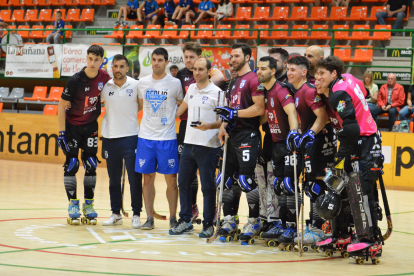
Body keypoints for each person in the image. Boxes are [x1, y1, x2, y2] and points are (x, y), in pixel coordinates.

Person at [315, 56, 383, 260]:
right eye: (316, 74)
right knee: (341, 186)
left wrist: (339, 156)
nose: (317, 78)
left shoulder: (337, 94)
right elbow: (362, 93)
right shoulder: (348, 77)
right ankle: (342, 235)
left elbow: (351, 128)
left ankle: (370, 239)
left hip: (366, 139)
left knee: (362, 189)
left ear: (333, 74)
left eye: (322, 74)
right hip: (358, 138)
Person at [215, 42, 265, 243]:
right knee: (224, 181)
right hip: (232, 135)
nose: (233, 59)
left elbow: (259, 108)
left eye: (237, 56)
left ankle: (254, 220)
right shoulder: (233, 81)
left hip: (248, 135)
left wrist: (234, 114)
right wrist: (223, 124)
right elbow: (229, 108)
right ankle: (229, 219)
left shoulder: (254, 79)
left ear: (247, 57)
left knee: (246, 180)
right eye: (231, 56)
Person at [57, 45, 111, 225]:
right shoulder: (75, 80)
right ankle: (72, 204)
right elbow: (61, 105)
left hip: (91, 126)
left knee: (91, 164)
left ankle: (89, 205)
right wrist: (61, 132)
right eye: (90, 59)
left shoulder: (105, 77)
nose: (93, 62)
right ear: (86, 59)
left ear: (102, 60)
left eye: (97, 59)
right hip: (72, 126)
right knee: (72, 164)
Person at [170, 58, 222, 237]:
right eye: (195, 70)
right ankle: (185, 220)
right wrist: (166, 119)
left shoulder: (217, 92)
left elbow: (224, 120)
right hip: (189, 144)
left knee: (207, 187)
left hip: (208, 146)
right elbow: (181, 109)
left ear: (209, 71)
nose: (197, 72)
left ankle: (208, 224)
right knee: (183, 183)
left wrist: (209, 126)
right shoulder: (191, 88)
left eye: (201, 69)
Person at [286, 56, 333, 246]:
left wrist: (311, 134)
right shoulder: (296, 92)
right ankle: (314, 226)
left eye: (293, 70)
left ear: (304, 72)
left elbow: (324, 116)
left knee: (317, 186)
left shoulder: (308, 91)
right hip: (310, 143)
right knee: (310, 186)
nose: (289, 73)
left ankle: (318, 229)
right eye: (288, 69)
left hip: (321, 143)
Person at [135, 47, 183, 230]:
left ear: (166, 62)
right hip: (146, 138)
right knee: (147, 179)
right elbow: (139, 105)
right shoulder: (143, 83)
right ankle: (149, 217)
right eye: (154, 59)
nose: (156, 63)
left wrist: (172, 117)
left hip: (167, 138)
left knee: (171, 179)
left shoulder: (175, 83)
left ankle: (172, 217)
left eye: (160, 60)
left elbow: (182, 103)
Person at [255, 56, 301, 246]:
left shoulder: (280, 89)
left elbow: (291, 112)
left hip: (287, 144)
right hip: (275, 144)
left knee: (289, 186)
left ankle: (291, 227)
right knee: (279, 186)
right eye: (258, 69)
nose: (259, 72)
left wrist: (293, 134)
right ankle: (282, 224)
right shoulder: (266, 92)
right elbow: (267, 117)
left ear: (273, 71)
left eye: (263, 69)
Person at [100, 54, 143, 228]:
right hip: (110, 137)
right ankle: (115, 214)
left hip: (131, 137)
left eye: (121, 66)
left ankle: (136, 214)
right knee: (113, 180)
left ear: (127, 68)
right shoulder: (105, 86)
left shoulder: (136, 85)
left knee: (134, 178)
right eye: (115, 66)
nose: (118, 70)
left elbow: (140, 105)